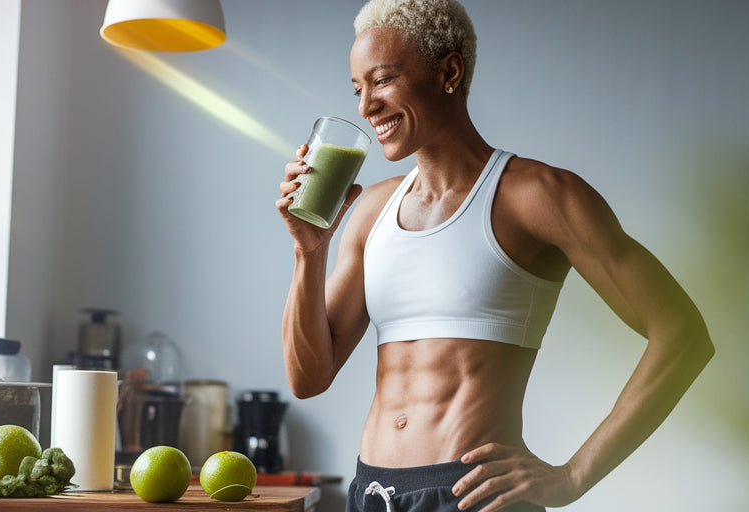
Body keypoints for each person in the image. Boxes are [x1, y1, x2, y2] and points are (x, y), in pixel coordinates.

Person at [274, 1, 715, 511]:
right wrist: (309, 252)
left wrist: (571, 477)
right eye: (358, 89)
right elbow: (308, 378)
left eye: (384, 80)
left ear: (449, 71)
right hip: (371, 493)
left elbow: (683, 335)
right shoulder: (373, 210)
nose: (366, 106)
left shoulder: (539, 196)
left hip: (472, 499)